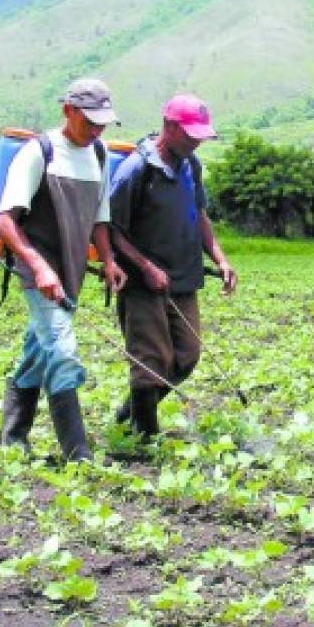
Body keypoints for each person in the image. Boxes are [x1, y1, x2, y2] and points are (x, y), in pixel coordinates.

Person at [0, 77, 127, 462]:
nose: (96, 130)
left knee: (38, 350)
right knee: (63, 351)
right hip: (39, 270)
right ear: (68, 111)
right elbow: (6, 221)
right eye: (90, 122)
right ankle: (77, 453)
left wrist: (108, 260)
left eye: (102, 123)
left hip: (70, 270)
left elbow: (100, 218)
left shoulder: (99, 154)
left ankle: (13, 435)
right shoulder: (40, 153)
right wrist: (39, 268)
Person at [108, 94, 237, 439]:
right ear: (168, 126)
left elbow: (201, 218)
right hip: (142, 283)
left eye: (200, 136)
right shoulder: (135, 170)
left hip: (183, 277)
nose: (196, 142)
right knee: (150, 359)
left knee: (187, 355)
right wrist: (145, 266)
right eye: (190, 135)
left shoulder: (190, 166)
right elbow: (111, 230)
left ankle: (129, 414)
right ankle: (143, 435)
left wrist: (221, 260)